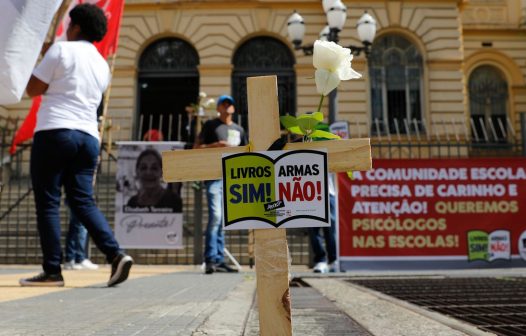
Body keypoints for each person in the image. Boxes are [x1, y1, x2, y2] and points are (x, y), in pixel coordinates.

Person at [19, 4, 133, 287]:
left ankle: (52, 270)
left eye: (69, 24)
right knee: (82, 201)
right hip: (88, 137)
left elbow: (33, 89)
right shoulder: (101, 63)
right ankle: (115, 254)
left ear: (76, 27)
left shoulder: (60, 50)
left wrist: (40, 56)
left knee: (48, 202)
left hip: (56, 130)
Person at [194, 95, 247, 274]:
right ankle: (210, 258)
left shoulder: (239, 129)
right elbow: (196, 149)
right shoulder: (210, 125)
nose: (227, 107)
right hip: (214, 176)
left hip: (233, 179)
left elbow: (247, 152)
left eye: (230, 104)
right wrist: (215, 145)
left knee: (223, 220)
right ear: (218, 108)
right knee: (216, 216)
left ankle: (218, 259)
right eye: (223, 104)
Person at [126, 148, 182, 212]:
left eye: (154, 168)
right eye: (143, 168)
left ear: (162, 172)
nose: (148, 173)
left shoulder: (174, 201)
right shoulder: (132, 203)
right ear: (137, 172)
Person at [310, 173, 337, 273]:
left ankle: (333, 259)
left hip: (329, 191)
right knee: (313, 228)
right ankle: (321, 260)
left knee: (331, 229)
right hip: (310, 191)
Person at [63, 205, 99, 270]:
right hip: (79, 197)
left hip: (73, 198)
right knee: (80, 225)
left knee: (75, 226)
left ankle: (71, 259)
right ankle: (79, 258)